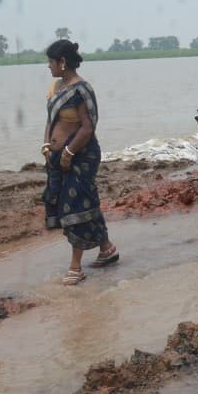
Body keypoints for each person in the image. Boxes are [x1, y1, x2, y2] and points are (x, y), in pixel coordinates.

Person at [43, 39, 118, 285]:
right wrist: (47, 146)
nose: (49, 66)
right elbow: (51, 122)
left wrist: (68, 152)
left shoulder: (81, 89)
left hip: (81, 156)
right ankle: (106, 248)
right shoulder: (56, 87)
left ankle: (75, 266)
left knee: (74, 206)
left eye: (51, 62)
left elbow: (88, 127)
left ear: (62, 62)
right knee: (86, 201)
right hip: (58, 156)